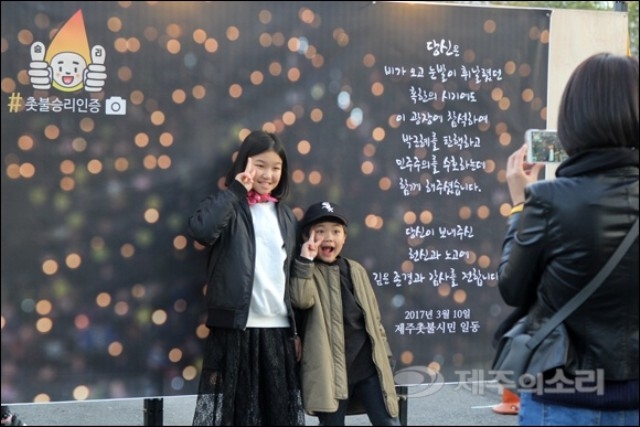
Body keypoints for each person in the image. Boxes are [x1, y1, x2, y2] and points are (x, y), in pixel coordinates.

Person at [498, 52, 638, 426]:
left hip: (562, 398)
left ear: (573, 120)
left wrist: (520, 206)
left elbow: (512, 288)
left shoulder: (548, 199)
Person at [187, 130, 305, 426]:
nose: (268, 174)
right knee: (237, 418)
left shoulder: (286, 215)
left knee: (278, 417)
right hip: (236, 329)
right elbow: (202, 231)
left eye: (276, 167)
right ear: (244, 163)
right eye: (260, 165)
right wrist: (235, 192)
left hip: (277, 331)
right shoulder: (227, 205)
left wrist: (295, 332)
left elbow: (291, 277)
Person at [290, 201, 400, 426]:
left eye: (336, 232)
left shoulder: (356, 270)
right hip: (328, 375)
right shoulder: (305, 270)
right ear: (306, 237)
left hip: (367, 368)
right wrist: (305, 261)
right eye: (320, 232)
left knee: (387, 420)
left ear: (344, 238)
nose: (328, 238)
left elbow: (374, 320)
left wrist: (386, 358)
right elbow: (301, 299)